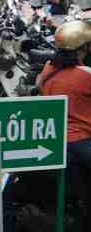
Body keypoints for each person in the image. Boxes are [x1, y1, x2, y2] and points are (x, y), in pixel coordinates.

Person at [38, 21, 91, 206]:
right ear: (83, 48)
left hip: (54, 138)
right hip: (80, 140)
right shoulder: (86, 74)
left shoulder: (48, 68)